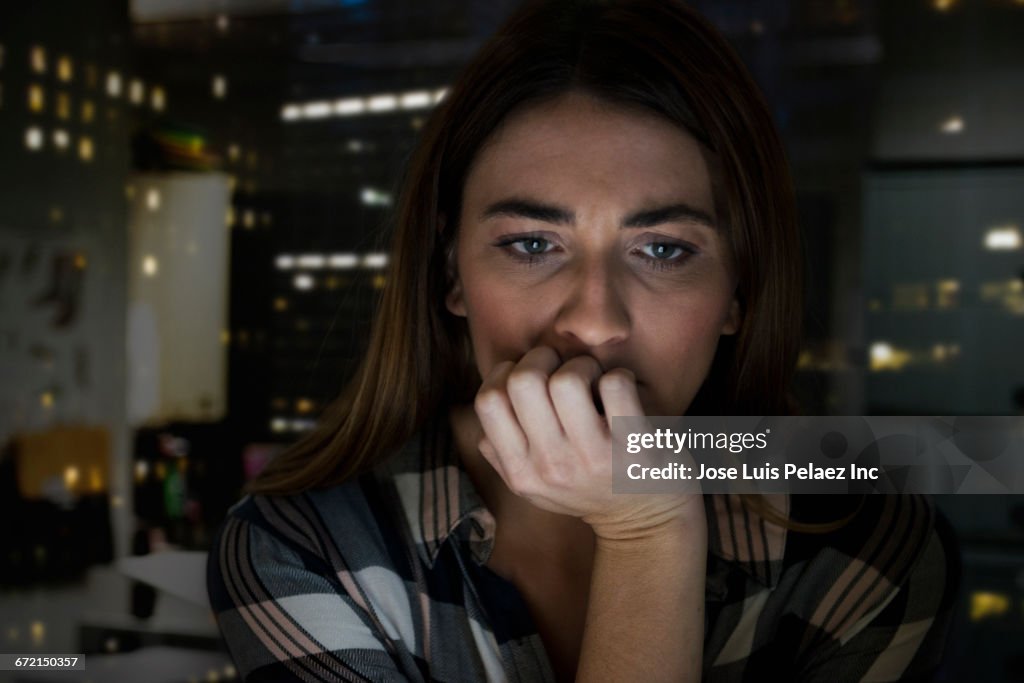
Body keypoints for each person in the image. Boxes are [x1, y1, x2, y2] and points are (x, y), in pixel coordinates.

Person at [207, 0, 959, 680]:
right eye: (533, 244)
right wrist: (648, 530)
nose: (595, 321)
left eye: (664, 249)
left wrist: (652, 522)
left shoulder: (869, 546)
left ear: (738, 290)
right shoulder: (297, 547)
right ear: (453, 275)